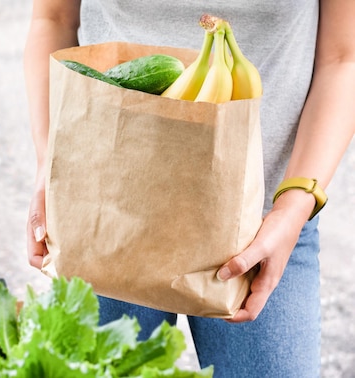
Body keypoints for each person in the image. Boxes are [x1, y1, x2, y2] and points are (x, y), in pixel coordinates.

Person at [23, 1, 355, 377]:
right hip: (106, 205)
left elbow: (344, 58)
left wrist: (294, 208)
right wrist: (49, 167)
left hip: (262, 229)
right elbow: (53, 19)